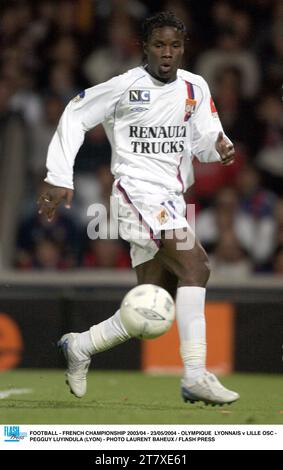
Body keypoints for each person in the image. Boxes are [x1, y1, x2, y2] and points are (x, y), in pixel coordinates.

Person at [38, 11, 239, 405]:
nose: (167, 53)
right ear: (144, 47)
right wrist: (59, 174)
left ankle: (81, 345)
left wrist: (219, 147)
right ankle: (195, 374)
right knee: (197, 266)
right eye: (160, 45)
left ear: (184, 49)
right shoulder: (123, 87)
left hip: (172, 199)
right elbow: (75, 115)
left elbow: (203, 141)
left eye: (175, 45)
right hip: (135, 193)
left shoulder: (195, 88)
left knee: (150, 307)